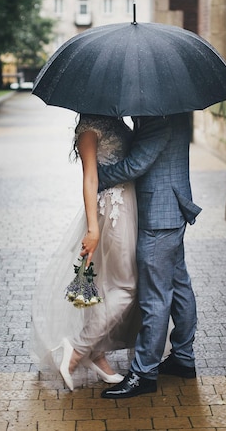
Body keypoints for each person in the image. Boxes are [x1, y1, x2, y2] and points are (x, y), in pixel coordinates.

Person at [30, 114, 140, 391]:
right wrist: (92, 228)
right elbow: (90, 178)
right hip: (114, 210)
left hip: (127, 205)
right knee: (127, 288)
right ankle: (78, 348)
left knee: (104, 287)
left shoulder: (115, 120)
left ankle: (97, 355)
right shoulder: (89, 129)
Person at [97, 113, 202, 399]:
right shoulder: (169, 110)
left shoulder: (160, 118)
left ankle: (144, 373)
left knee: (154, 295)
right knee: (179, 285)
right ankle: (182, 357)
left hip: (160, 214)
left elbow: (136, 164)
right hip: (171, 209)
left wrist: (96, 177)